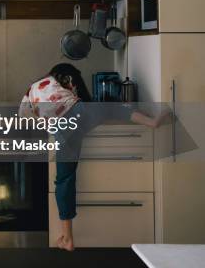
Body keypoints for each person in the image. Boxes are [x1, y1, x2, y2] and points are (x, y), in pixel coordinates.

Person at [19, 63, 168, 251]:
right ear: (68, 77)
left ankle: (68, 238)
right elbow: (94, 102)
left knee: (65, 179)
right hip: (83, 112)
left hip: (63, 129)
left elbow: (24, 117)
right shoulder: (64, 79)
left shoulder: (36, 88)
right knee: (114, 109)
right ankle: (151, 121)